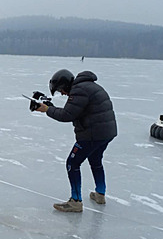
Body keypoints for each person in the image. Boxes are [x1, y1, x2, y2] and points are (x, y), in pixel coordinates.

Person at [36, 69, 117, 212]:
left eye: (61, 90)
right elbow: (75, 111)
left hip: (92, 134)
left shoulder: (79, 90)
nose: (62, 93)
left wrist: (47, 110)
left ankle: (75, 201)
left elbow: (67, 115)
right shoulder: (88, 86)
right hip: (106, 132)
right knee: (95, 161)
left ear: (66, 84)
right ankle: (100, 194)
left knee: (72, 163)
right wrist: (51, 108)